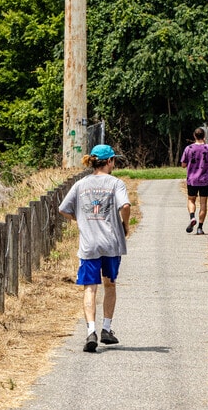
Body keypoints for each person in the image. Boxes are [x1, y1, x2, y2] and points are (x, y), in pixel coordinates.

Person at [59, 144, 131, 353]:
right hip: (111, 243)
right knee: (110, 284)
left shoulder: (81, 184)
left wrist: (80, 218)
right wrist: (125, 224)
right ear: (109, 161)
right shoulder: (116, 183)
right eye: (113, 160)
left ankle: (91, 331)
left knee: (90, 287)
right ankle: (106, 328)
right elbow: (125, 206)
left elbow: (63, 208)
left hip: (89, 244)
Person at [180, 127, 208, 235]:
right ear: (204, 135)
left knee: (191, 199)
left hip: (192, 179)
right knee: (203, 203)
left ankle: (192, 217)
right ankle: (200, 228)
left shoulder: (188, 148)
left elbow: (183, 165)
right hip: (205, 180)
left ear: (194, 136)